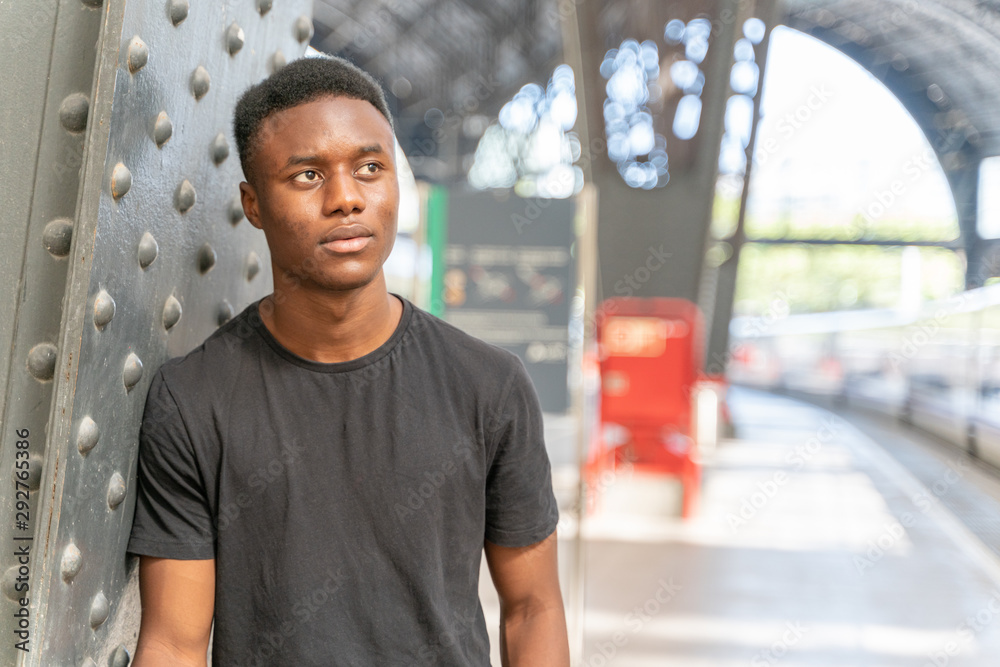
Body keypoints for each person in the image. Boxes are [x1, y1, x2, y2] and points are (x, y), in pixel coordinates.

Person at [126, 55, 569, 666]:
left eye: (369, 168)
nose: (345, 199)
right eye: (307, 176)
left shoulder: (489, 386)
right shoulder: (193, 400)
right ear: (253, 206)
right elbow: (173, 644)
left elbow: (533, 609)